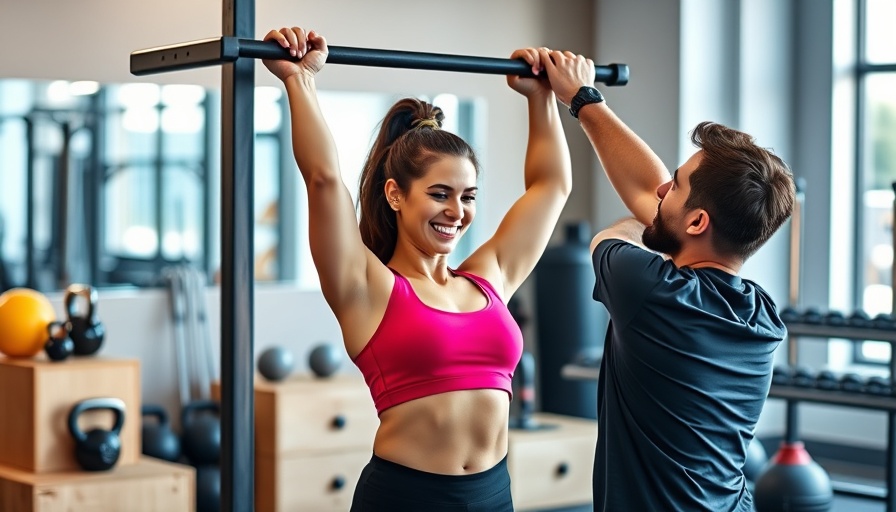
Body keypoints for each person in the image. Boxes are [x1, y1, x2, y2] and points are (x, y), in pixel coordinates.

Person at [262, 27, 573, 511]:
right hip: (407, 498)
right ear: (395, 195)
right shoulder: (366, 287)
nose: (457, 211)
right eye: (439, 194)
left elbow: (551, 187)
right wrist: (299, 80)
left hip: (493, 495)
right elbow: (323, 180)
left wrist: (542, 97)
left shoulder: (489, 278)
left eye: (468, 196)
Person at [539, 52, 796, 510]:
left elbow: (632, 218)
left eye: (675, 186)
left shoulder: (646, 288)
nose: (661, 190)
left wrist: (582, 97)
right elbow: (650, 200)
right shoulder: (761, 314)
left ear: (697, 223)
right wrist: (581, 97)